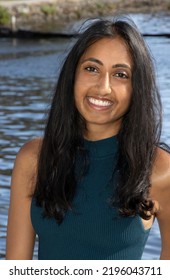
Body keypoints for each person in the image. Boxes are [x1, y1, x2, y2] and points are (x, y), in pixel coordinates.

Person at [6, 16, 170, 260]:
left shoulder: (159, 168)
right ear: (72, 76)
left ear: (137, 87)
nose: (103, 88)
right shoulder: (34, 159)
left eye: (121, 74)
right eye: (92, 69)